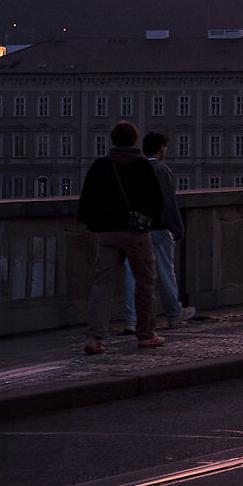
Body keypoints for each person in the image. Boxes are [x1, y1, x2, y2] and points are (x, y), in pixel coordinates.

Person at [78, 119, 165, 354]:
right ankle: (146, 335)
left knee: (102, 285)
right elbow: (157, 202)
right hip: (136, 233)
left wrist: (98, 225)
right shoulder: (143, 166)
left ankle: (95, 337)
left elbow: (85, 204)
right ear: (135, 140)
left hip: (107, 234)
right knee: (145, 283)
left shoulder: (101, 166)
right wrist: (147, 222)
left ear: (113, 141)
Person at [121, 128, 187, 325]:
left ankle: (131, 320)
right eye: (165, 147)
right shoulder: (161, 170)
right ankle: (174, 313)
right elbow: (169, 203)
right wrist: (178, 228)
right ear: (161, 148)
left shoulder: (133, 168)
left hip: (135, 229)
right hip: (158, 228)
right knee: (166, 272)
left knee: (132, 274)